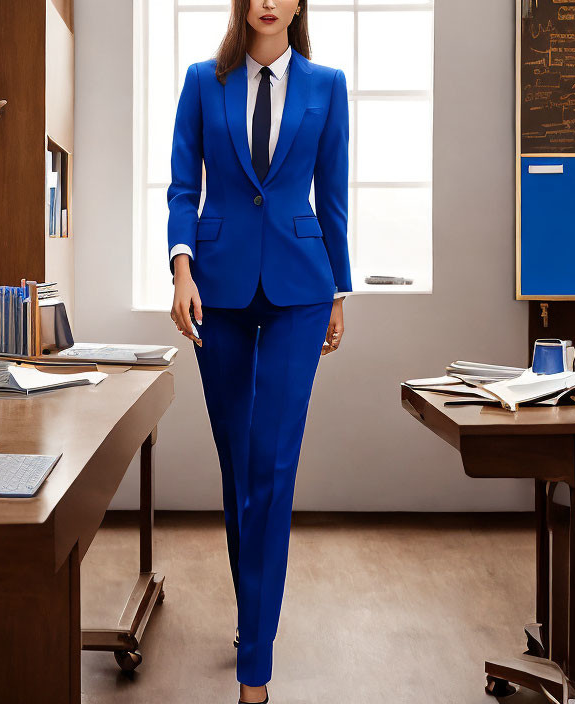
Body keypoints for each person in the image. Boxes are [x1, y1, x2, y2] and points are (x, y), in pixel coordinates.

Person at [167, 0, 351, 701]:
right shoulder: (201, 80)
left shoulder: (325, 84)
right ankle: (254, 619)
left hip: (302, 289)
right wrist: (182, 270)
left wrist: (339, 290)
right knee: (238, 468)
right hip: (216, 288)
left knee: (273, 466)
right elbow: (185, 188)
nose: (268, 2)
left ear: (297, 4)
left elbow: (330, 193)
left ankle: (256, 666)